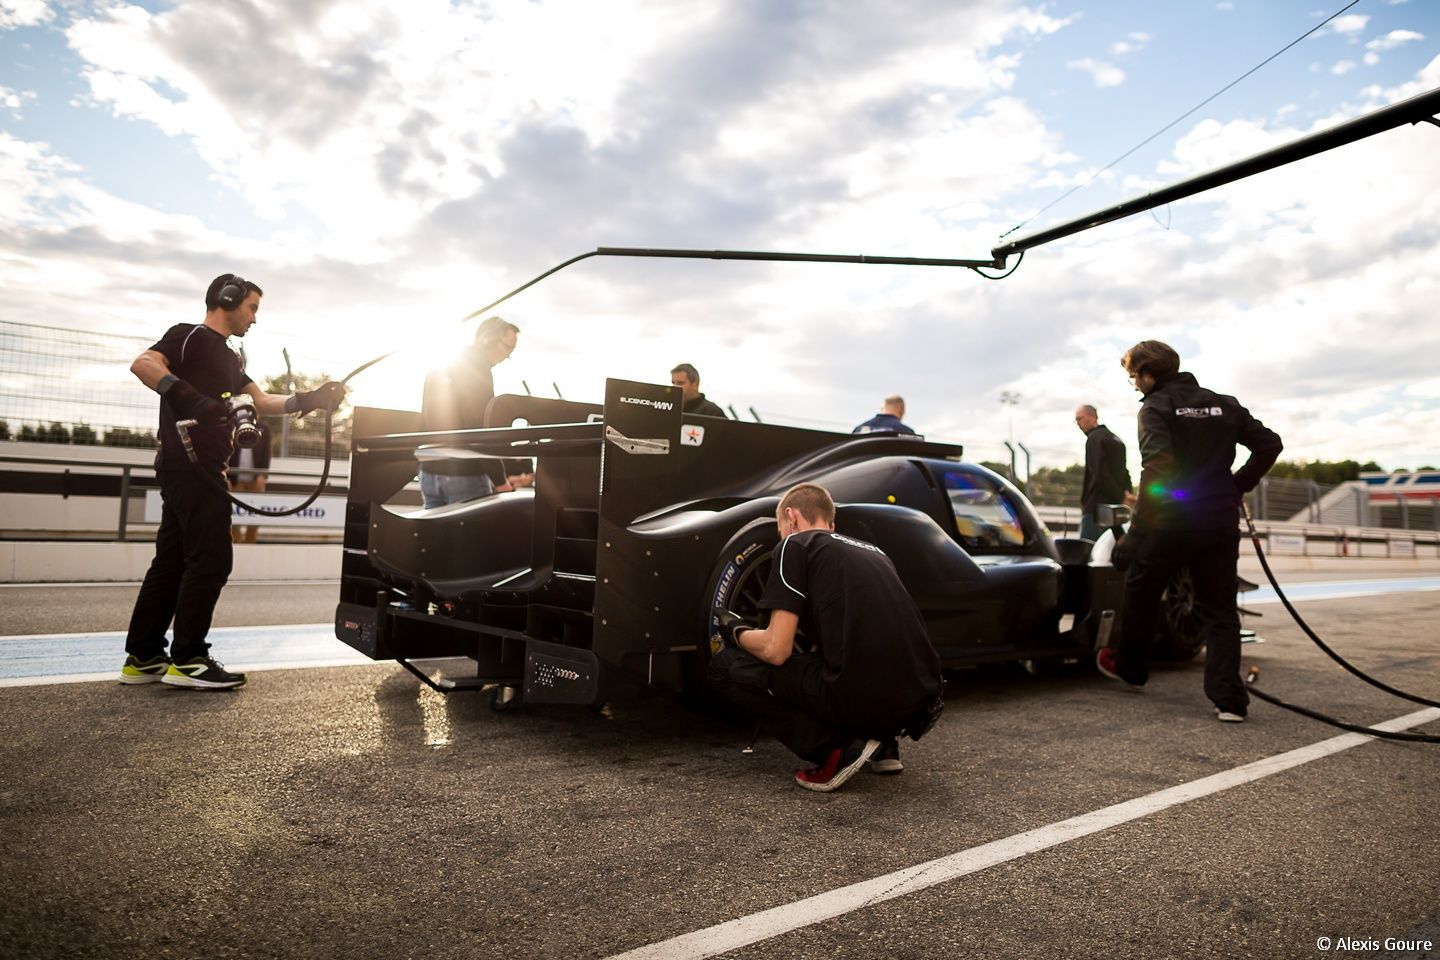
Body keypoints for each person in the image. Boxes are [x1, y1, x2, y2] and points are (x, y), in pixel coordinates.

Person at [120, 273, 346, 689]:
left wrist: (312, 399)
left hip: (195, 467)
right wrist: (190, 399)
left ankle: (144, 655)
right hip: (191, 464)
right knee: (210, 559)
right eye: (252, 308)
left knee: (171, 560)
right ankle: (188, 659)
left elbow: (261, 402)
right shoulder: (188, 336)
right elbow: (144, 364)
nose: (255, 319)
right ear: (227, 299)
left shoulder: (231, 358)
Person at [708, 483, 944, 792]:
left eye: (779, 528)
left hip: (866, 696)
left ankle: (833, 751)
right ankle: (884, 744)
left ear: (791, 518)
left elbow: (776, 650)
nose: (781, 535)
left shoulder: (794, 545)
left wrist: (736, 632)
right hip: (922, 698)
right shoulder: (874, 552)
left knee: (725, 667)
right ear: (831, 524)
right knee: (843, 659)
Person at [1096, 340, 1282, 722]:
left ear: (1149, 375)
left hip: (1172, 522)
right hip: (1217, 520)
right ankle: (1229, 701)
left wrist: (1136, 534)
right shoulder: (1225, 403)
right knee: (1219, 609)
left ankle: (1131, 669)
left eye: (1133, 376)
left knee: (1142, 589)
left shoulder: (1156, 408)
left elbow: (1158, 470)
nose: (1133, 384)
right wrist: (1237, 485)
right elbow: (1269, 444)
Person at [419, 316, 524, 508]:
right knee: (472, 538)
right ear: (488, 339)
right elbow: (479, 428)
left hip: (430, 471)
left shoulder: (441, 363)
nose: (508, 356)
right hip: (464, 473)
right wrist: (499, 480)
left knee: (433, 538)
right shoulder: (477, 370)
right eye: (508, 348)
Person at [1074, 404, 1132, 541]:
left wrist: (1122, 496)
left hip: (1096, 510)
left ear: (1092, 417)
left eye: (1079, 418)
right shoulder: (1116, 439)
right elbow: (1124, 472)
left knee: (1089, 554)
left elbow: (1100, 473)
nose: (1078, 423)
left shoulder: (1094, 438)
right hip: (1117, 508)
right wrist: (1126, 495)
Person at [228, 418, 272, 544]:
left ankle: (250, 543)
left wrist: (262, 475)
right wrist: (227, 476)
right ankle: (235, 544)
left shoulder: (264, 427)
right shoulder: (232, 425)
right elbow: (226, 451)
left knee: (255, 515)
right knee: (233, 515)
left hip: (256, 480)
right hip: (235, 480)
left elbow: (267, 453)